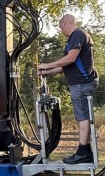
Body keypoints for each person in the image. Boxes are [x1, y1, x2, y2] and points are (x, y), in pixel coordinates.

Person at [38, 14, 98, 164]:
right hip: (80, 83)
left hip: (82, 84)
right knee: (83, 115)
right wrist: (48, 72)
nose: (61, 31)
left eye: (60, 27)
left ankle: (83, 152)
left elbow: (70, 58)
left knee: (83, 117)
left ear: (65, 22)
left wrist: (48, 64)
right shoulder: (78, 37)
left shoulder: (77, 34)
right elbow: (68, 65)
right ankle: (86, 151)